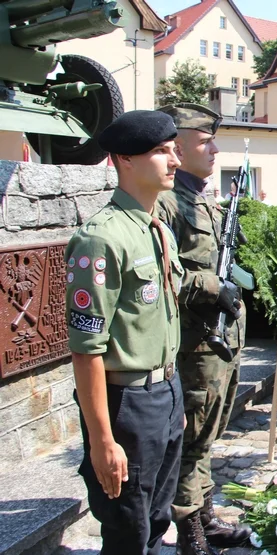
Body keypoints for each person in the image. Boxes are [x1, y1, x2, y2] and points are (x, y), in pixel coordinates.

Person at [66, 110, 185, 554]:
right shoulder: (101, 240)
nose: (174, 161)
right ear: (124, 160)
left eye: (174, 150)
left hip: (164, 394)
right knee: (127, 529)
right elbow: (86, 350)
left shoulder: (157, 229)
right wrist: (102, 441)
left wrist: (175, 401)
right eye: (160, 152)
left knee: (156, 520)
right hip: (127, 404)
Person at [155, 103, 250, 553]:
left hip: (220, 342)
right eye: (204, 141)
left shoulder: (199, 196)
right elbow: (163, 275)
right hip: (194, 344)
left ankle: (207, 519)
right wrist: (214, 285)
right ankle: (190, 536)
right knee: (192, 440)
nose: (214, 149)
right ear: (176, 147)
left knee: (208, 435)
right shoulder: (167, 202)